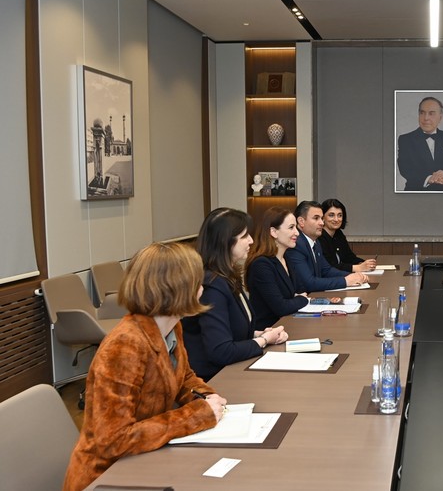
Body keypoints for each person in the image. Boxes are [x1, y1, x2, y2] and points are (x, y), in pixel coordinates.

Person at [63, 243, 227, 491]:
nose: (202, 287)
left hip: (145, 459)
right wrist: (197, 415)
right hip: (106, 476)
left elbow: (183, 378)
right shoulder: (126, 345)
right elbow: (113, 441)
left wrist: (206, 396)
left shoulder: (172, 326)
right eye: (196, 281)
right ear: (176, 288)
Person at [182, 208, 288, 381]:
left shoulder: (227, 277)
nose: (251, 241)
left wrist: (259, 334)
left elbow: (229, 329)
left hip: (232, 370)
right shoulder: (212, 286)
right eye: (245, 236)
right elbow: (220, 351)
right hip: (213, 380)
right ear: (226, 242)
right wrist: (263, 340)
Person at [245, 207, 310, 329]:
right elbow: (281, 308)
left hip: (288, 325)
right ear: (274, 232)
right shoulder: (261, 265)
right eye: (291, 227)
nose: (297, 232)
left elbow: (302, 290)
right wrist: (301, 299)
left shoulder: (286, 259)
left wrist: (296, 299)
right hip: (269, 332)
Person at [285, 200, 369, 292]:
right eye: (316, 218)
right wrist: (345, 281)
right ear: (301, 221)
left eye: (321, 218)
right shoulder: (296, 245)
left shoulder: (315, 242)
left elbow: (326, 270)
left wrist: (352, 276)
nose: (321, 223)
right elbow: (309, 283)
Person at [396, 96, 443, 191]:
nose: (426, 118)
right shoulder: (405, 139)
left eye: (431, 113)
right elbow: (405, 168)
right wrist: (429, 178)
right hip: (417, 194)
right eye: (422, 113)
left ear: (440, 117)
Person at [318, 198, 377, 273]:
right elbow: (329, 266)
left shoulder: (338, 234)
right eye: (331, 215)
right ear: (323, 217)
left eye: (340, 215)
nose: (336, 219)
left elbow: (349, 257)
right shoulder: (319, 237)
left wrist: (364, 263)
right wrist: (357, 267)